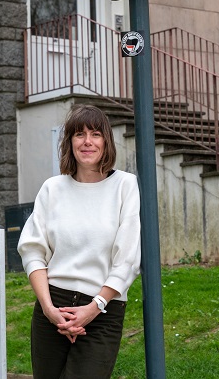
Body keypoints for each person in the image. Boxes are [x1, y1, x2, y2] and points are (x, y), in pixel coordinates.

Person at [18, 104, 142, 379]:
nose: (87, 142)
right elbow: (33, 252)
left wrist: (93, 308)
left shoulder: (125, 185)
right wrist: (50, 310)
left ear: (106, 142)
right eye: (79, 134)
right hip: (53, 307)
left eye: (95, 134)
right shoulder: (52, 189)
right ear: (69, 142)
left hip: (102, 308)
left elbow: (128, 259)